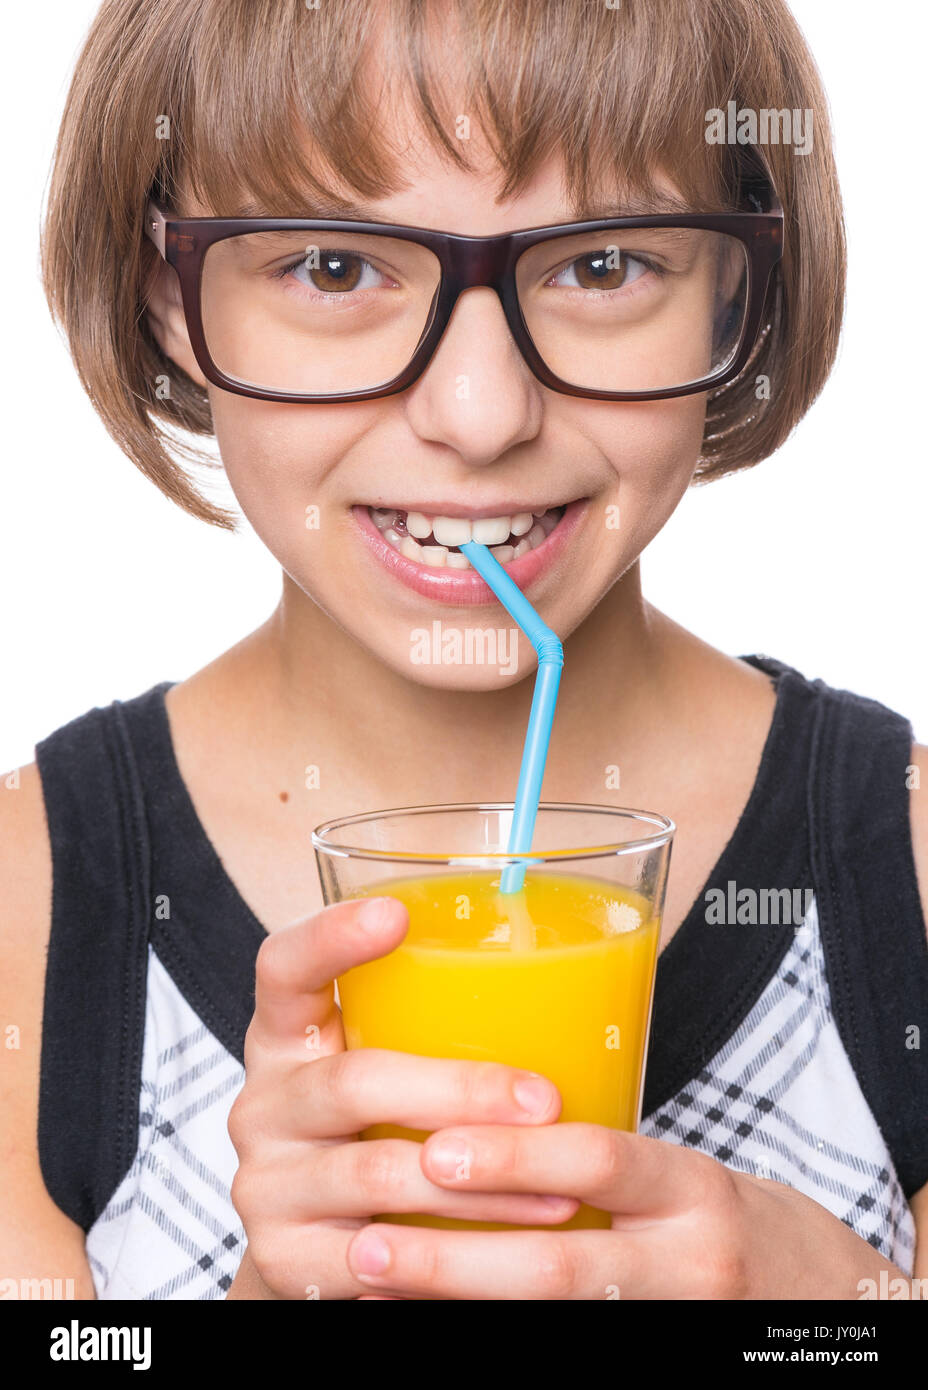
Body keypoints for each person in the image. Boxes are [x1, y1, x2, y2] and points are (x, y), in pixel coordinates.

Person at [2, 0, 925, 1300]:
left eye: (603, 266)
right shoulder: (28, 912)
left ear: (737, 291)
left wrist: (841, 1317)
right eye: (333, 266)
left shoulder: (905, 863)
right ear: (167, 292)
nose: (481, 414)